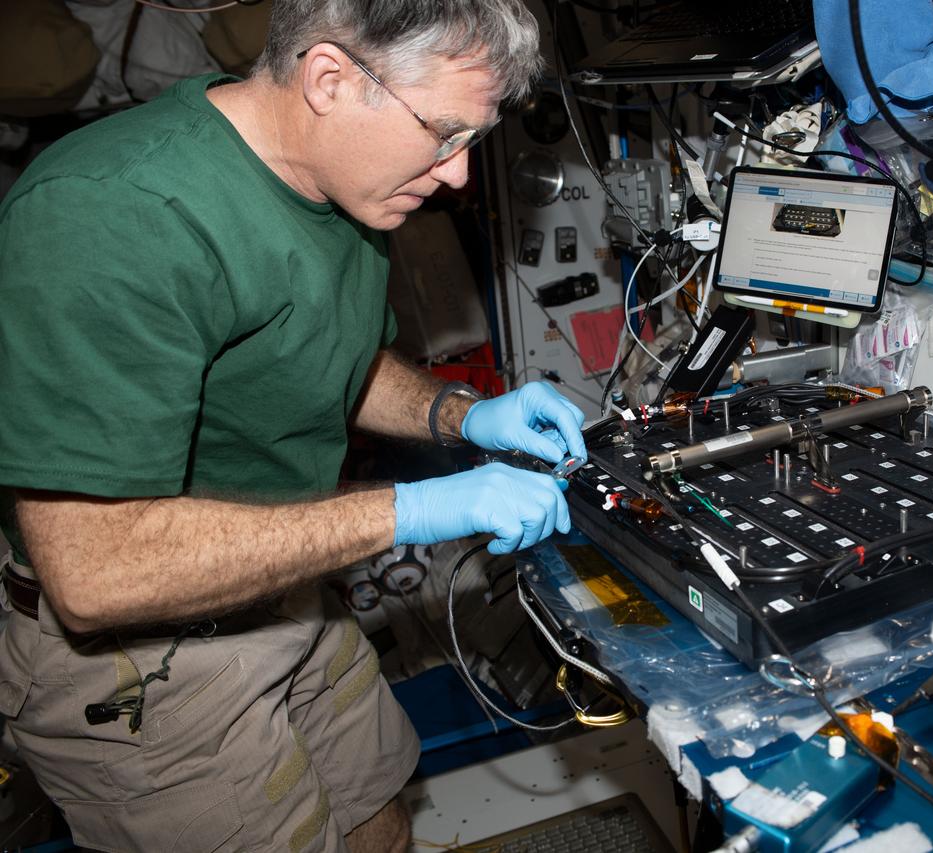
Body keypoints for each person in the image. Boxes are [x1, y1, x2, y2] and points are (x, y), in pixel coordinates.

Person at [0, 1, 579, 850]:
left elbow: (332, 353)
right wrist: (412, 512)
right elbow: (97, 574)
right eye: (444, 134)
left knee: (379, 812)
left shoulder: (334, 178)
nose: (458, 174)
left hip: (284, 590)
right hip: (146, 662)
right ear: (330, 79)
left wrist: (466, 416)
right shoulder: (112, 214)